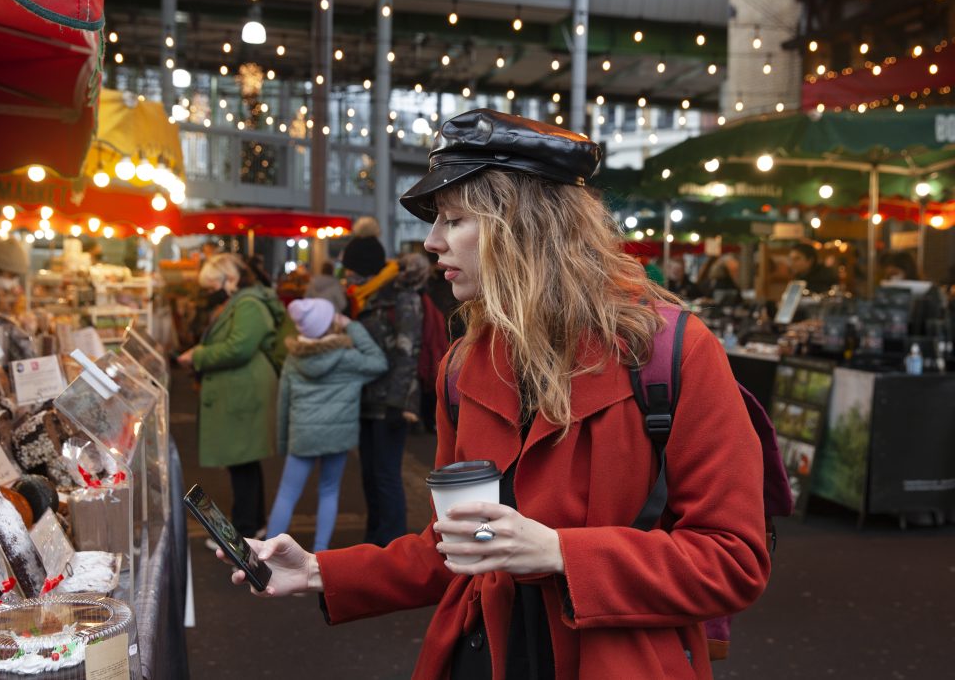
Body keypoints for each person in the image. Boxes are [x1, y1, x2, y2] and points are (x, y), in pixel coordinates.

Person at [215, 110, 770, 679]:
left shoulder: (672, 353)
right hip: (480, 653)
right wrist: (316, 571)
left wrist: (559, 552)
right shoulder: (462, 366)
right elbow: (453, 545)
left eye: (453, 220)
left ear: (525, 227)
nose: (431, 241)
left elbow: (733, 559)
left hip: (613, 661)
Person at [178, 253, 286, 543]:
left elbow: (239, 347)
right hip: (243, 389)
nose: (210, 291)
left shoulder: (249, 304)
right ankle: (253, 525)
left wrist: (198, 355)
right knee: (245, 461)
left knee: (241, 461)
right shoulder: (245, 301)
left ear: (231, 278)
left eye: (213, 285)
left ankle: (244, 531)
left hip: (245, 392)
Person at [265, 298, 387, 551]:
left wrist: (283, 441)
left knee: (287, 494)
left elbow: (283, 403)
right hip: (337, 437)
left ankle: (267, 553)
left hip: (303, 435)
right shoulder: (348, 357)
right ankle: (319, 553)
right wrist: (352, 326)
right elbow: (379, 361)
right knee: (329, 491)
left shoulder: (293, 359)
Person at [341, 228, 426, 546]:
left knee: (387, 475)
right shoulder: (364, 296)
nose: (347, 273)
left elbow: (409, 351)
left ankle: (391, 546)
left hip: (391, 401)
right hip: (364, 398)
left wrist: (398, 402)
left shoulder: (401, 295)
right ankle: (374, 540)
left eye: (351, 267)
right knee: (369, 476)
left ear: (364, 267)